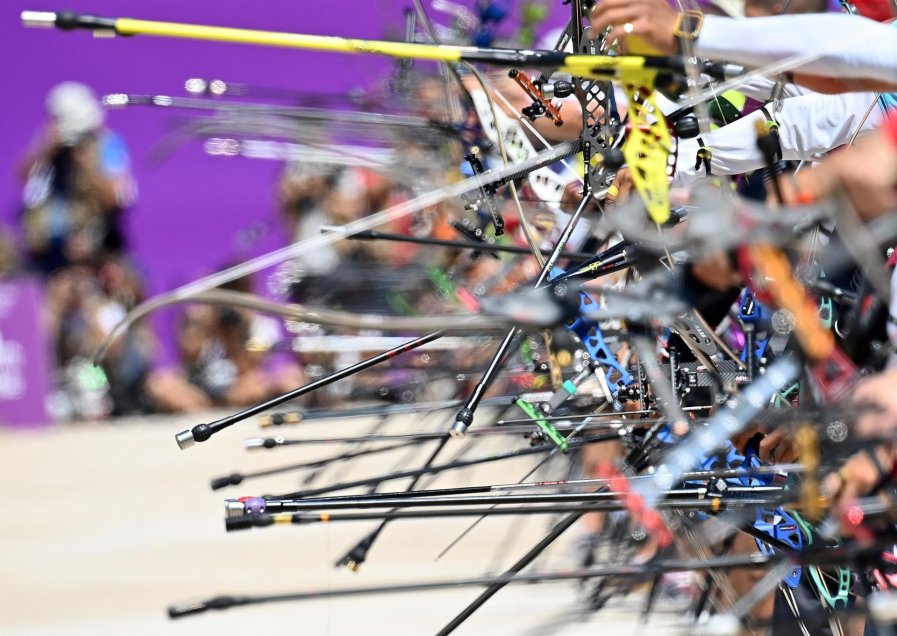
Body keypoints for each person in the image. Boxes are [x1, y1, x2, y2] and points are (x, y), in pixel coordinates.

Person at [20, 82, 136, 274]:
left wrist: (86, 162)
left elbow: (118, 199)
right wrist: (45, 150)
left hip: (96, 248)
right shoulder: (49, 146)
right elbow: (23, 178)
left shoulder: (108, 144)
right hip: (48, 250)